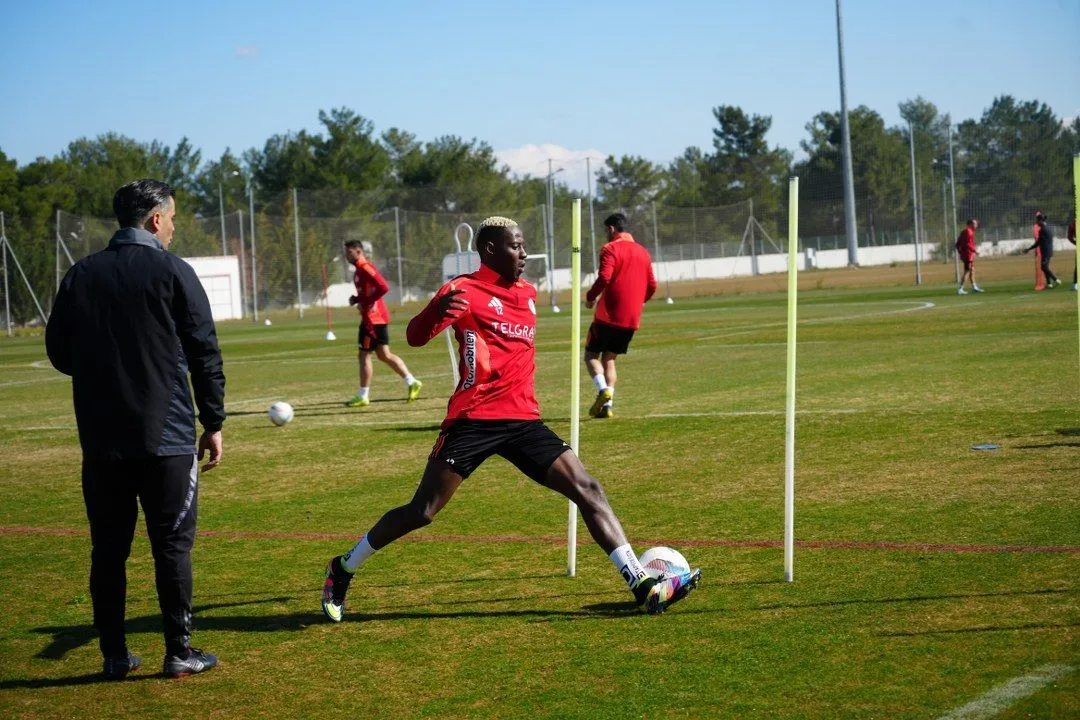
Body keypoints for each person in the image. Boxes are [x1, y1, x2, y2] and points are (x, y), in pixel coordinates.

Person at [320, 216, 700, 622]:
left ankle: (641, 584)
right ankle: (343, 567)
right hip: (473, 419)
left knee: (588, 488)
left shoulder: (528, 293)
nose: (523, 253)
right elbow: (414, 336)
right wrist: (435, 311)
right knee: (423, 511)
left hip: (523, 421)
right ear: (489, 250)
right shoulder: (461, 289)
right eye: (515, 246)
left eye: (523, 246)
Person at [45, 179, 223, 680]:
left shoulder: (81, 275)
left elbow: (59, 353)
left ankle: (115, 656)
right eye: (171, 218)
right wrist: (214, 422)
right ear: (153, 220)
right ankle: (179, 651)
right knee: (171, 544)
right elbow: (204, 352)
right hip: (165, 439)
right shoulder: (173, 271)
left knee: (109, 548)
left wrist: (105, 373)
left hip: (102, 440)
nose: (173, 227)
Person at [583, 213, 658, 419]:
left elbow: (605, 276)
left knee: (591, 355)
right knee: (610, 359)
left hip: (608, 316)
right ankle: (607, 406)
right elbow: (652, 286)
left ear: (612, 229)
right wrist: (635, 302)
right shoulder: (643, 252)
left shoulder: (610, 249)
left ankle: (602, 390)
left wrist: (590, 297)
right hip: (631, 319)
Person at [342, 239, 422, 407]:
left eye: (349, 252)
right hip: (373, 318)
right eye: (346, 253)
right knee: (384, 354)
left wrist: (368, 302)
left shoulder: (365, 267)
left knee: (364, 355)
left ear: (358, 251)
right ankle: (412, 381)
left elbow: (383, 287)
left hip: (373, 320)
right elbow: (368, 291)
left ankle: (363, 395)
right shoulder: (358, 270)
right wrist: (357, 299)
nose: (346, 256)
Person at [1024, 211, 1058, 288]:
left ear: (1040, 221)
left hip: (1046, 252)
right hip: (1047, 251)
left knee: (1044, 267)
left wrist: (1028, 249)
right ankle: (1049, 284)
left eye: (1037, 221)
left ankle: (1056, 280)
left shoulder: (1042, 230)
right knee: (1045, 268)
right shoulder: (1047, 228)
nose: (1036, 222)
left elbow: (1037, 243)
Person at [954, 219, 983, 295]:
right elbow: (968, 244)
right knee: (967, 271)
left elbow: (957, 244)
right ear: (970, 224)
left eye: (976, 224)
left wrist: (960, 252)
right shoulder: (968, 232)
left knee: (972, 270)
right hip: (968, 255)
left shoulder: (965, 231)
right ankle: (960, 289)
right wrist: (975, 251)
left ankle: (974, 287)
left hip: (967, 254)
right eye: (974, 224)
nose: (976, 225)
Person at [1068, 214, 1076, 291]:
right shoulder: (1073, 224)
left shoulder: (1073, 224)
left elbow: (1069, 237)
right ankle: (1075, 285)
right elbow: (1069, 237)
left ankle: (1075, 285)